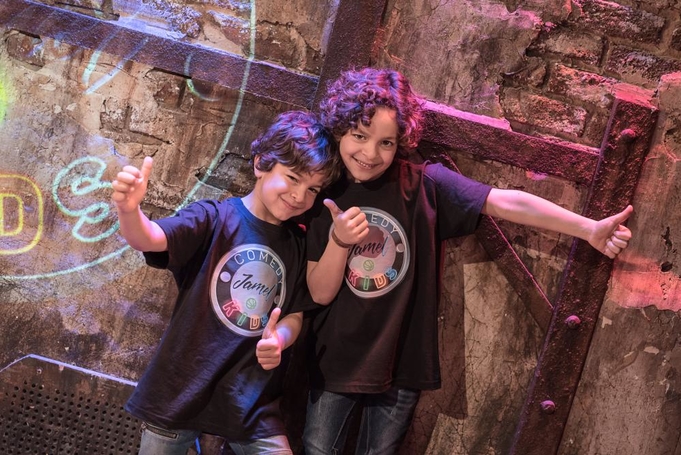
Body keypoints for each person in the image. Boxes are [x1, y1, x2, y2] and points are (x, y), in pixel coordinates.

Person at [301, 67, 633, 454]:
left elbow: (505, 202)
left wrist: (587, 228)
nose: (371, 154)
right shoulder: (320, 188)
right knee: (317, 448)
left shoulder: (423, 184)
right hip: (335, 359)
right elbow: (316, 289)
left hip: (401, 362)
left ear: (401, 140)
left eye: (386, 142)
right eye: (360, 136)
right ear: (340, 127)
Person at [110, 110, 341, 455]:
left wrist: (279, 340)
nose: (299, 195)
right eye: (293, 178)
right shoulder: (214, 218)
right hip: (180, 390)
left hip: (251, 401)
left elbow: (294, 314)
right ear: (261, 164)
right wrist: (129, 211)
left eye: (312, 189)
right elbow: (151, 238)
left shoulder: (297, 243)